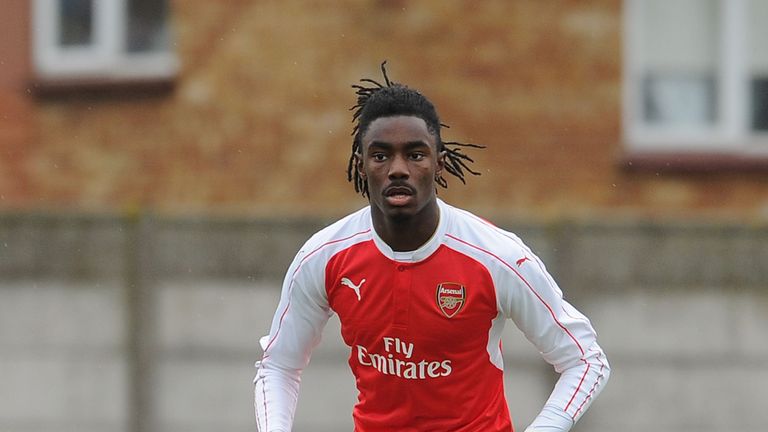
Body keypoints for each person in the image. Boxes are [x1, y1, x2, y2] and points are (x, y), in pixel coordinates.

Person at [254, 63, 610, 432]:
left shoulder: (497, 257)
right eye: (380, 156)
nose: (398, 169)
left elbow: (585, 360)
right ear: (361, 166)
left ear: (438, 164)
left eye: (415, 155)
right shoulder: (325, 256)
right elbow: (278, 365)